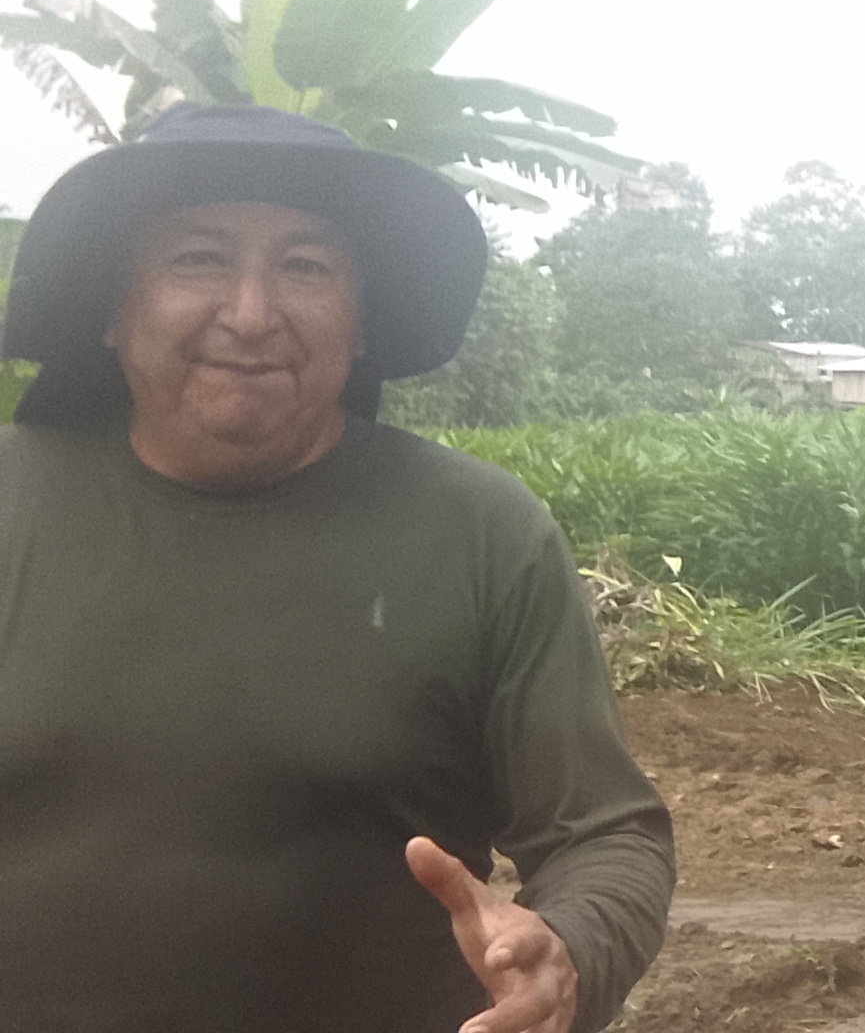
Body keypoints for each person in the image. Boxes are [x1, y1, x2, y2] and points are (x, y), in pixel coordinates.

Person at [0, 104, 675, 1031]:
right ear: (115, 309)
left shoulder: (480, 534)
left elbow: (606, 832)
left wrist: (568, 954)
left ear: (361, 325)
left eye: (306, 267)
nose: (250, 314)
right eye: (196, 259)